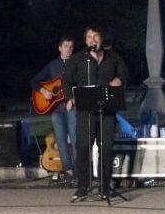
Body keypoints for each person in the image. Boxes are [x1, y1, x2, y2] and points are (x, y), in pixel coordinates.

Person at [62, 26, 128, 201]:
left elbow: (124, 74)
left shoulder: (113, 57)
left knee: (106, 147)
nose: (92, 39)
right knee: (83, 147)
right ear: (86, 41)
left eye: (95, 36)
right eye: (89, 37)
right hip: (85, 112)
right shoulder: (78, 59)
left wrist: (119, 80)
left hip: (107, 111)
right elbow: (66, 81)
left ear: (101, 38)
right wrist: (70, 98)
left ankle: (105, 187)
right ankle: (83, 187)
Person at [30, 37, 78, 181]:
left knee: (75, 138)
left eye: (71, 46)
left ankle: (78, 170)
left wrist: (72, 99)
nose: (68, 49)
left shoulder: (77, 64)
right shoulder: (52, 65)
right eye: (66, 46)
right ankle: (68, 170)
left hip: (71, 106)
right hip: (55, 108)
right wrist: (43, 91)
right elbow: (34, 81)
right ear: (60, 48)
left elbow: (80, 84)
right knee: (60, 139)